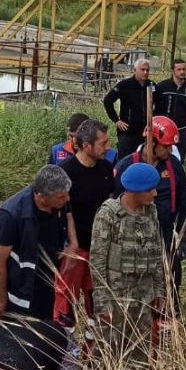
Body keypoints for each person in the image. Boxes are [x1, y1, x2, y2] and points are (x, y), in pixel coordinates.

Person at [90, 162, 164, 370]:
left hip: (144, 294)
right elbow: (97, 261)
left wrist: (158, 290)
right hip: (116, 295)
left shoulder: (151, 212)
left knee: (140, 349)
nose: (155, 193)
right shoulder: (109, 215)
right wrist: (102, 302)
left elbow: (157, 253)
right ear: (136, 191)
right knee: (109, 350)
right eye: (151, 189)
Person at [113, 116, 186, 308]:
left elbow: (182, 205)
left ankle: (167, 325)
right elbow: (113, 205)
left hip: (164, 238)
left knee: (170, 286)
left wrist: (182, 238)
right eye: (166, 145)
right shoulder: (126, 166)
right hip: (133, 242)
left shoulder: (174, 167)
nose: (170, 150)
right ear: (151, 141)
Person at [54, 119, 116, 338]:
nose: (107, 147)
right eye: (103, 143)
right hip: (74, 249)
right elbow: (60, 213)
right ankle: (63, 350)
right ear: (86, 145)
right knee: (65, 302)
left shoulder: (107, 168)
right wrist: (69, 245)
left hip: (100, 249)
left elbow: (111, 205)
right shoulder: (65, 173)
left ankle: (93, 352)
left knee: (96, 299)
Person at [0, 165, 71, 323]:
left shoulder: (58, 202)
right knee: (16, 335)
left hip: (46, 281)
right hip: (19, 288)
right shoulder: (10, 216)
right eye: (61, 197)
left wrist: (71, 244)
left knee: (43, 326)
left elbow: (68, 214)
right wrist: (0, 302)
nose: (67, 199)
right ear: (41, 196)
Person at [103, 58, 155, 159]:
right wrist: (116, 120)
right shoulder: (125, 85)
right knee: (125, 160)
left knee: (143, 159)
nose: (145, 72)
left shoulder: (152, 86)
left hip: (145, 132)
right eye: (142, 69)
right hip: (127, 132)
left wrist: (154, 122)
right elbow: (107, 101)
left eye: (147, 70)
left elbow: (160, 104)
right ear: (135, 70)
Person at [155, 58, 186, 162]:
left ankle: (177, 176)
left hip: (181, 129)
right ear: (172, 70)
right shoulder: (162, 86)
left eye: (184, 69)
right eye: (179, 69)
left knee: (179, 157)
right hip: (164, 129)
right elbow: (155, 107)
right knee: (162, 155)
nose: (182, 72)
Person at [49, 112, 116, 165]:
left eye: (77, 137)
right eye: (70, 136)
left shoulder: (111, 155)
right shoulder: (57, 151)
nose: (73, 140)